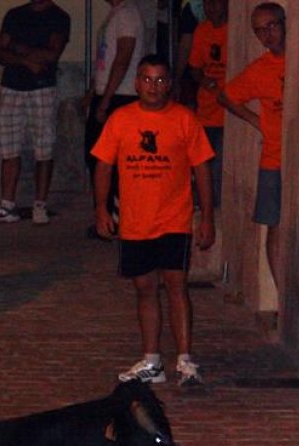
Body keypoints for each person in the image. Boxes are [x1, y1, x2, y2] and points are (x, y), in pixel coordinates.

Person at [91, 55, 215, 386]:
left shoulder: (184, 119)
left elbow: (202, 168)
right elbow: (103, 165)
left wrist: (207, 216)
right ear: (136, 83)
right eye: (147, 79)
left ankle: (185, 360)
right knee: (145, 288)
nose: (153, 87)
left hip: (174, 218)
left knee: (176, 285)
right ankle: (152, 361)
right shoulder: (121, 119)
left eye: (160, 80)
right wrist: (101, 208)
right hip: (136, 221)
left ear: (169, 84)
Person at [0, 0, 70, 226]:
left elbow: (51, 54)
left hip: (42, 87)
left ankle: (39, 205)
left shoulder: (59, 17)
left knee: (44, 147)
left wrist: (19, 48)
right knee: (9, 146)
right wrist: (26, 60)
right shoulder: (15, 15)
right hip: (12, 86)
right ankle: (7, 205)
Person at [217, 1, 285, 287]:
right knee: (275, 229)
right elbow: (226, 96)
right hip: (273, 159)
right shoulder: (261, 68)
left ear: (283, 23)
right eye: (260, 31)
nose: (267, 35)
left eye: (271, 26)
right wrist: (255, 120)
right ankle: (281, 295)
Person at [83, 0, 144, 239]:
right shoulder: (116, 14)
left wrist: (106, 99)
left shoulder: (128, 14)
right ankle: (107, 215)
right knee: (97, 157)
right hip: (109, 93)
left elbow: (123, 57)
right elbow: (106, 61)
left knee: (110, 161)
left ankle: (116, 218)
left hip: (121, 95)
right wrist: (94, 92)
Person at [186, 0, 226, 206]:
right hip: (207, 111)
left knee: (222, 168)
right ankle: (206, 208)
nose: (211, 7)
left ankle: (217, 210)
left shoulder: (234, 30)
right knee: (205, 167)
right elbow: (194, 68)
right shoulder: (202, 31)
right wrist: (204, 80)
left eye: (215, 3)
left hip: (230, 113)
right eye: (207, 3)